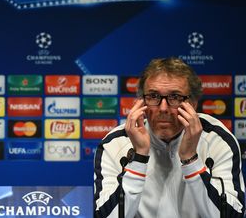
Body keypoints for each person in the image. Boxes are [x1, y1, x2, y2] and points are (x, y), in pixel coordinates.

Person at [94, 57, 245, 217]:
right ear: (141, 102)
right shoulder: (115, 144)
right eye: (153, 96)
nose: (163, 108)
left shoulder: (217, 140)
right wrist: (138, 159)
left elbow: (232, 215)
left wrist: (191, 160)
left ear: (193, 104)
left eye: (175, 97)